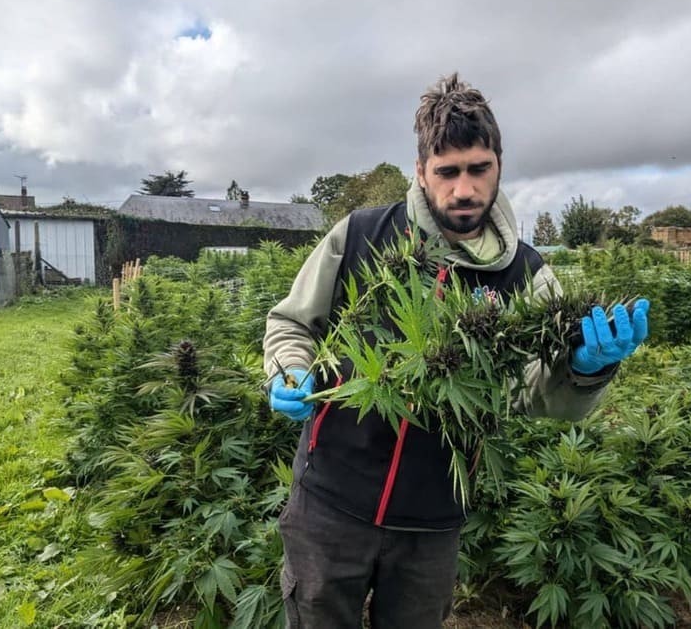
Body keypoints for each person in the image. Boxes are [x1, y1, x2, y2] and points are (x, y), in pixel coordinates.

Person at [263, 73, 650, 629]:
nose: (463, 189)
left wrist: (584, 370)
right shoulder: (361, 235)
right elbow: (291, 322)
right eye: (447, 172)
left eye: (478, 169)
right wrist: (289, 369)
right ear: (421, 171)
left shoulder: (529, 275)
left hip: (433, 517)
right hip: (329, 501)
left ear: (499, 166)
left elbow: (540, 397)